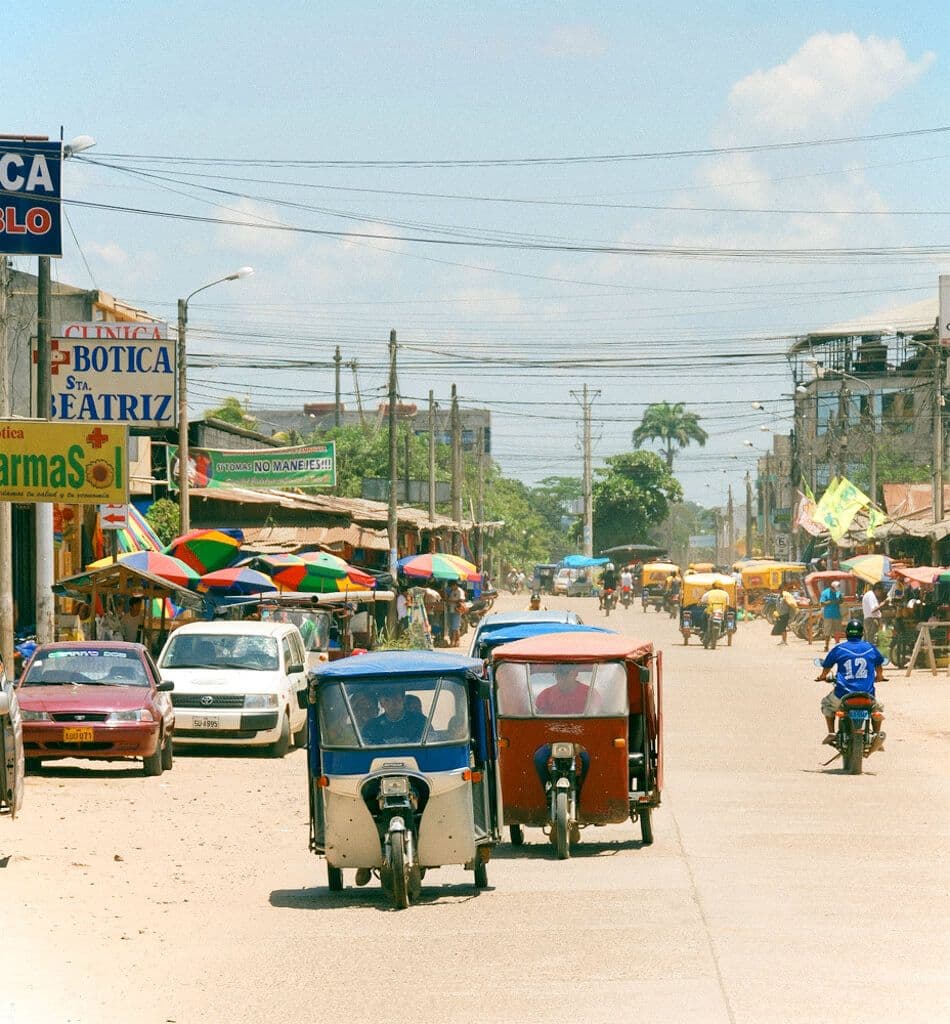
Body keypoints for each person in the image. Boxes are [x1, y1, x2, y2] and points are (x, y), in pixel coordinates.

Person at [816, 618, 886, 751]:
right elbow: (879, 665)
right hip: (867, 695)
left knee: (827, 704)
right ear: (861, 633)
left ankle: (831, 732)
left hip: (843, 694)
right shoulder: (870, 648)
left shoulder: (839, 648)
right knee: (877, 709)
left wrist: (823, 676)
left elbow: (827, 666)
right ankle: (877, 736)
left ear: (847, 633)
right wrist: (880, 677)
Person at [361, 684, 428, 744]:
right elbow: (365, 749)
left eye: (396, 699)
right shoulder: (371, 726)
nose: (392, 704)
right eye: (387, 700)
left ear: (403, 700)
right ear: (381, 703)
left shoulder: (420, 721)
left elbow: (431, 741)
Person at [820, 579, 844, 652]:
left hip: (837, 614)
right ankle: (826, 646)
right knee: (827, 631)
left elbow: (841, 601)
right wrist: (830, 602)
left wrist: (841, 599)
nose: (836, 590)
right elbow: (822, 603)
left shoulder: (838, 592)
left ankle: (837, 645)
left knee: (837, 631)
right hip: (828, 615)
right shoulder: (825, 593)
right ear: (831, 587)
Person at [446, 582, 466, 647]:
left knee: (455, 627)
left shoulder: (460, 591)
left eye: (452, 586)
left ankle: (453, 641)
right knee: (453, 627)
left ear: (455, 585)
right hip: (450, 610)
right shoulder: (451, 591)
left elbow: (461, 600)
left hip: (456, 611)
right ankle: (457, 641)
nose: (451, 587)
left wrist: (452, 601)